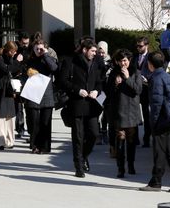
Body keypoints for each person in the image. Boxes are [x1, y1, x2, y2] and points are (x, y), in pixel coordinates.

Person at [139, 51, 170, 193]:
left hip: (162, 120)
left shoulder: (156, 79)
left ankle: (159, 182)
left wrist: (153, 123)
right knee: (167, 152)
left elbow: (156, 103)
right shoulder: (167, 76)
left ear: (150, 64)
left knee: (160, 152)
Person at [58, 38, 104, 177]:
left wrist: (97, 90)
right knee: (78, 137)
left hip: (92, 104)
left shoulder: (96, 63)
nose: (95, 54)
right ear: (84, 50)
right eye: (93, 51)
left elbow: (100, 82)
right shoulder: (70, 61)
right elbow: (62, 81)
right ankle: (78, 166)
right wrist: (77, 90)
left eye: (96, 51)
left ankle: (83, 157)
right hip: (76, 104)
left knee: (94, 134)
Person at [105, 49, 142, 178]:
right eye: (120, 61)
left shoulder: (136, 72)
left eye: (125, 60)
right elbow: (108, 92)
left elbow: (138, 90)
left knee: (131, 142)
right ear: (116, 61)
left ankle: (131, 164)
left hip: (131, 111)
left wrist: (127, 79)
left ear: (129, 60)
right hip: (118, 111)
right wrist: (115, 84)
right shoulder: (113, 73)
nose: (123, 63)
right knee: (120, 141)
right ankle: (120, 168)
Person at [23, 38, 58, 154]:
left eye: (41, 49)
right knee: (34, 121)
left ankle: (45, 147)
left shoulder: (48, 58)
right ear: (33, 49)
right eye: (36, 49)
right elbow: (23, 73)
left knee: (45, 122)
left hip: (46, 94)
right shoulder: (30, 60)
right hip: (33, 93)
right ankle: (35, 145)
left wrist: (46, 55)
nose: (39, 50)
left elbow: (54, 68)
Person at [0, 41, 23, 150]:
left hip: (9, 90)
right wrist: (16, 62)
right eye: (12, 52)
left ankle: (10, 141)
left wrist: (15, 63)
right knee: (1, 116)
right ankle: (1, 142)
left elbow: (15, 70)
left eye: (14, 52)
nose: (13, 54)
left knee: (10, 116)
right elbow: (6, 69)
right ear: (7, 49)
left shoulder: (10, 58)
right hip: (0, 89)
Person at [135, 36, 153, 148]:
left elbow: (154, 70)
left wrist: (147, 79)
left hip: (146, 89)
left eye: (140, 46)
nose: (138, 48)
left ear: (146, 46)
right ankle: (135, 138)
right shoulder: (135, 56)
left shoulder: (151, 57)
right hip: (136, 89)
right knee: (135, 115)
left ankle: (147, 139)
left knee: (146, 115)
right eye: (137, 46)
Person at [14, 33, 32, 139]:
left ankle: (30, 130)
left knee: (29, 107)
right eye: (23, 43)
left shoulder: (31, 50)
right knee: (18, 106)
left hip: (29, 80)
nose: (25, 44)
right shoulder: (16, 50)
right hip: (18, 80)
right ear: (20, 41)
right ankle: (20, 129)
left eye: (27, 42)